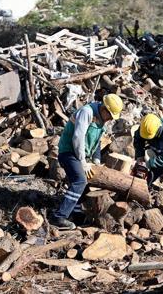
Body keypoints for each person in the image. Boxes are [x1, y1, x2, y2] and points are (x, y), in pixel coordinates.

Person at [51, 94, 123, 229]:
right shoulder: (87, 112)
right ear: (104, 109)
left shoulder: (102, 121)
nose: (110, 119)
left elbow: (97, 141)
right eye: (110, 115)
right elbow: (78, 137)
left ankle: (77, 216)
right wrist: (83, 161)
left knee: (85, 183)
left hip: (80, 154)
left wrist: (96, 159)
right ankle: (59, 217)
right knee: (80, 181)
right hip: (69, 152)